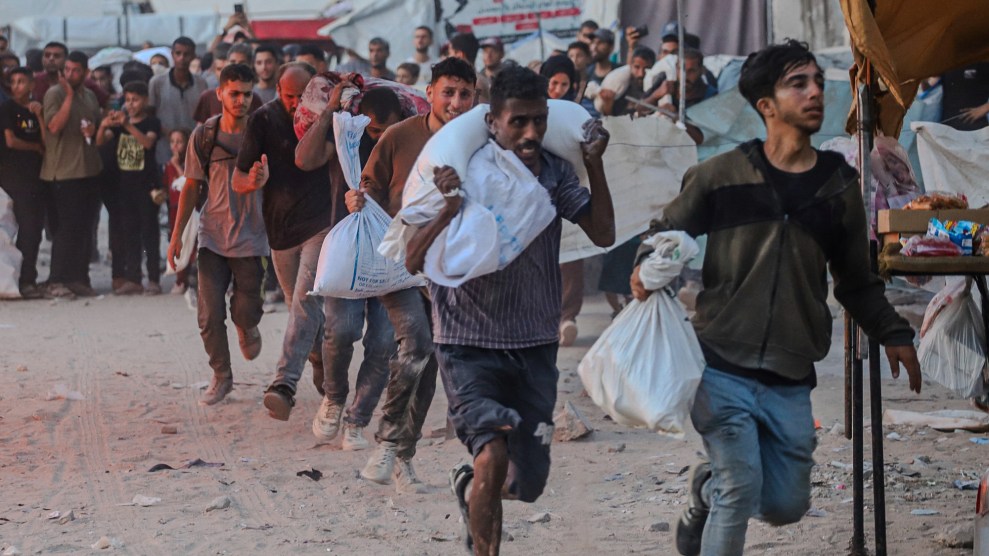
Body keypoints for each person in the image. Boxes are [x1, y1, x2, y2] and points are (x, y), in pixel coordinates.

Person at [624, 40, 923, 556]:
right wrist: (645, 267)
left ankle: (705, 490)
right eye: (797, 83)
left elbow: (854, 279)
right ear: (766, 105)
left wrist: (893, 332)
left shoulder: (837, 186)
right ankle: (721, 491)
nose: (814, 93)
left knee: (785, 505)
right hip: (719, 364)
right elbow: (666, 234)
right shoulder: (720, 176)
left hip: (789, 375)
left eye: (814, 81)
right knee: (741, 488)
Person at [405, 65, 614, 554]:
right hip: (465, 342)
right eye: (518, 122)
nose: (531, 133)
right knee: (492, 450)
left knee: (527, 483)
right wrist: (447, 208)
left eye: (539, 121)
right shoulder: (466, 171)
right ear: (492, 121)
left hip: (535, 343)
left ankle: (472, 489)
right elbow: (414, 260)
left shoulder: (555, 174)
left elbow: (603, 233)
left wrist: (596, 164)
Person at [345, 57, 477, 493]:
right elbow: (370, 187)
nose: (456, 102)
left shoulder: (481, 143)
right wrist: (357, 200)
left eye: (464, 93)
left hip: (452, 270)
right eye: (448, 92)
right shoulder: (401, 136)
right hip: (400, 264)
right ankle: (386, 442)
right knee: (416, 342)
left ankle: (404, 453)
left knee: (430, 362)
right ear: (431, 92)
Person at [289, 85, 406, 444]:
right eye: (374, 130)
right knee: (340, 331)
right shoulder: (347, 142)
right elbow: (304, 160)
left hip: (394, 253)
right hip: (351, 253)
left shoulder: (411, 146)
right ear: (361, 123)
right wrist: (328, 114)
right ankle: (335, 398)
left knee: (384, 341)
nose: (382, 137)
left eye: (390, 128)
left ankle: (357, 419)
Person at [231, 62, 333, 419]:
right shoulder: (262, 120)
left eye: (301, 95)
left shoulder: (330, 117)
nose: (295, 103)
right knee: (299, 310)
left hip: (322, 225)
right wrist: (254, 179)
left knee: (305, 303)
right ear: (277, 90)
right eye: (289, 96)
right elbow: (238, 179)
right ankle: (320, 359)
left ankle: (283, 384)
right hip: (280, 232)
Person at [167, 63, 268, 406]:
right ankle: (222, 375)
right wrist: (177, 235)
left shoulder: (262, 133)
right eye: (234, 93)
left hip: (254, 237)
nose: (241, 100)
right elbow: (192, 187)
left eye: (247, 94)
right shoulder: (204, 135)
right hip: (213, 234)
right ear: (220, 93)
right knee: (209, 315)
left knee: (246, 308)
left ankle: (247, 325)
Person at [41, 50, 103, 298]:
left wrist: (93, 129)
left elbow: (95, 127)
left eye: (76, 70)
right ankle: (56, 280)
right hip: (62, 173)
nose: (70, 74)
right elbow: (54, 126)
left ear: (86, 72)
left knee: (84, 228)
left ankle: (78, 278)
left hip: (88, 170)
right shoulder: (54, 94)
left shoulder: (89, 96)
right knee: (66, 228)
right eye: (67, 69)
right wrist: (68, 96)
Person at [96, 80, 163, 295]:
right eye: (128, 100)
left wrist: (127, 125)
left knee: (150, 233)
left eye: (135, 100)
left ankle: (153, 278)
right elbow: (99, 142)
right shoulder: (119, 126)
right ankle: (133, 278)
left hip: (147, 186)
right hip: (124, 187)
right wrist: (105, 125)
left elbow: (147, 143)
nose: (131, 104)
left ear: (145, 100)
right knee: (130, 233)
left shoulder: (152, 122)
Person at [0, 67, 47, 299]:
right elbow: (11, 141)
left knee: (31, 232)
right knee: (7, 233)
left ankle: (27, 279)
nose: (17, 86)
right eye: (14, 82)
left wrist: (39, 116)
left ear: (31, 85)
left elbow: (48, 142)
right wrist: (35, 147)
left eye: (21, 82)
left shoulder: (37, 109)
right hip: (11, 179)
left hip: (34, 180)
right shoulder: (7, 108)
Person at [149, 37, 207, 172]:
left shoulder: (201, 84)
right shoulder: (157, 82)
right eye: (178, 53)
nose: (182, 58)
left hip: (193, 151)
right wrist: (170, 134)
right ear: (172, 54)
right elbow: (151, 116)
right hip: (164, 150)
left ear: (193, 56)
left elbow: (203, 118)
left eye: (186, 54)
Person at [194, 43, 262, 123]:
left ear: (250, 65)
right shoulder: (209, 97)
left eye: (242, 63)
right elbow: (201, 130)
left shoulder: (254, 99)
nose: (236, 66)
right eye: (233, 62)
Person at [163, 128, 194, 295]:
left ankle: (190, 279)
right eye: (172, 142)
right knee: (176, 243)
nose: (175, 146)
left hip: (189, 210)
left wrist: (176, 165)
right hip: (174, 209)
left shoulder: (189, 163)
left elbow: (188, 183)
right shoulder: (168, 165)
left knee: (190, 243)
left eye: (179, 142)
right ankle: (180, 280)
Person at [32, 42, 109, 108]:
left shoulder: (81, 81)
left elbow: (106, 101)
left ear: (66, 59)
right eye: (47, 55)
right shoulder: (35, 80)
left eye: (56, 56)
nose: (51, 59)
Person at [598, 46, 656, 116]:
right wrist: (608, 103)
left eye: (647, 68)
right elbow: (608, 118)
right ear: (631, 66)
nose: (641, 74)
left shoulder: (655, 85)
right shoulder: (621, 84)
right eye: (637, 67)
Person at [939, 62, 989, 131]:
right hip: (947, 124)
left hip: (975, 125)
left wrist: (985, 108)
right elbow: (930, 89)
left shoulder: (983, 60)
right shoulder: (947, 61)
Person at [449, 32, 487, 104]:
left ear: (459, 54)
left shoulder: (475, 83)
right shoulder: (481, 80)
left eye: (450, 53)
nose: (448, 57)